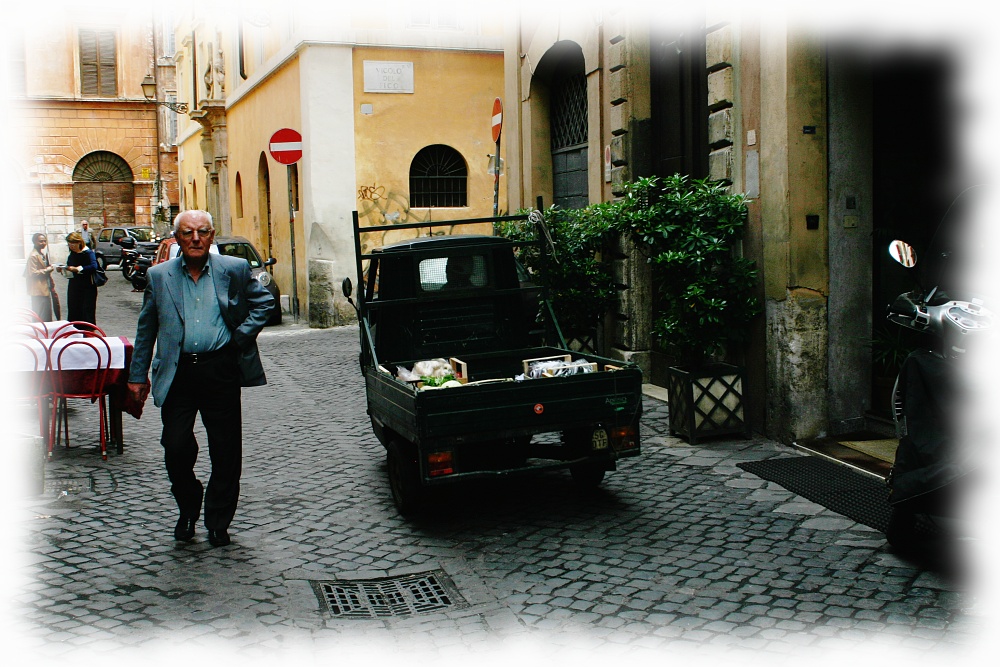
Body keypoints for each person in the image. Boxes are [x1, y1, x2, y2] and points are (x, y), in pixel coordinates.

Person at [127, 210, 274, 548]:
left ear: (212, 236)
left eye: (203, 232)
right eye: (188, 233)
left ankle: (219, 521)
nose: (196, 238)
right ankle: (189, 504)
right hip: (177, 373)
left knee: (226, 450)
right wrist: (137, 376)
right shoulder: (159, 275)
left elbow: (263, 303)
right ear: (177, 238)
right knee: (175, 447)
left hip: (219, 368)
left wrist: (240, 337)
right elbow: (146, 328)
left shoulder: (233, 270)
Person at [56, 231, 99, 323]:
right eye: (69, 244)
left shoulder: (88, 253)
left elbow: (94, 266)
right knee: (74, 309)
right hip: (74, 286)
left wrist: (78, 269)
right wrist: (63, 269)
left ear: (79, 242)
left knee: (86, 311)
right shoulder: (72, 254)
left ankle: (88, 332)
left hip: (87, 286)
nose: (71, 246)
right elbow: (69, 269)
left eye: (73, 243)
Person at [25, 233, 60, 320]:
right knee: (40, 314)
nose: (43, 243)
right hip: (38, 290)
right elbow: (32, 273)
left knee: (47, 313)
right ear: (34, 242)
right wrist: (47, 270)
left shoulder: (41, 254)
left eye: (45, 241)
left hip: (45, 287)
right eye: (40, 241)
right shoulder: (33, 256)